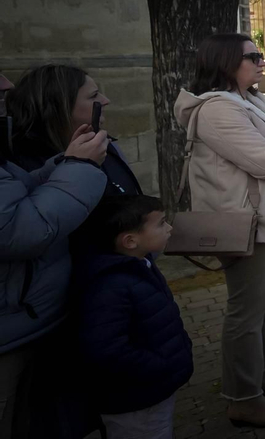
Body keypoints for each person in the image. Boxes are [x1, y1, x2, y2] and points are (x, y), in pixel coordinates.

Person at [174, 33, 265, 427]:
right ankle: (242, 396)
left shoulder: (257, 100)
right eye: (252, 56)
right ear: (224, 63)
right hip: (246, 221)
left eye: (260, 54)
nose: (260, 62)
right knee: (247, 310)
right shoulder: (217, 110)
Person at [0, 116, 106, 439]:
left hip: (27, 320)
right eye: (94, 95)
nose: (6, 84)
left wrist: (64, 162)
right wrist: (80, 167)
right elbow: (18, 230)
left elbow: (18, 194)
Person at [72, 194, 193, 439]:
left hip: (151, 390)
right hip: (136, 398)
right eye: (160, 223)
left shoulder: (138, 265)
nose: (169, 227)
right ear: (129, 240)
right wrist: (158, 366)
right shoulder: (110, 286)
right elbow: (105, 349)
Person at [7, 65, 141, 198]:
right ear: (60, 107)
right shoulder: (20, 167)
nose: (105, 101)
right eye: (93, 95)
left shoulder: (106, 146)